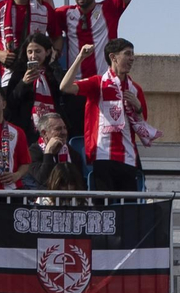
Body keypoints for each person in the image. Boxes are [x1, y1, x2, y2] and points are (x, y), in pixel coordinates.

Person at [60, 38, 158, 192]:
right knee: (104, 210)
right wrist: (80, 58)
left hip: (128, 157)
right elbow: (65, 87)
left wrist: (138, 107)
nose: (132, 58)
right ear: (113, 57)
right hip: (103, 154)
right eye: (127, 54)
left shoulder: (135, 89)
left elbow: (141, 124)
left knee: (127, 209)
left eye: (133, 54)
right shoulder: (97, 83)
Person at [60, 0, 137, 136]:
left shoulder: (108, 8)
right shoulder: (63, 14)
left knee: (108, 135)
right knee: (77, 136)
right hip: (76, 87)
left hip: (105, 85)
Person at [2, 32, 64, 134]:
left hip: (53, 128)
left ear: (47, 52)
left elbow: (62, 90)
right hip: (27, 128)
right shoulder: (19, 73)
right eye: (30, 52)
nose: (33, 56)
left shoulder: (53, 72)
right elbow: (10, 102)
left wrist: (53, 62)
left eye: (38, 51)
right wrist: (23, 83)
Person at [28, 111, 86, 187]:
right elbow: (43, 180)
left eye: (65, 128)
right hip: (44, 197)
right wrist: (48, 153)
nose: (64, 132)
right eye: (58, 129)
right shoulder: (33, 152)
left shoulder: (71, 152)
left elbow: (78, 181)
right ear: (44, 133)